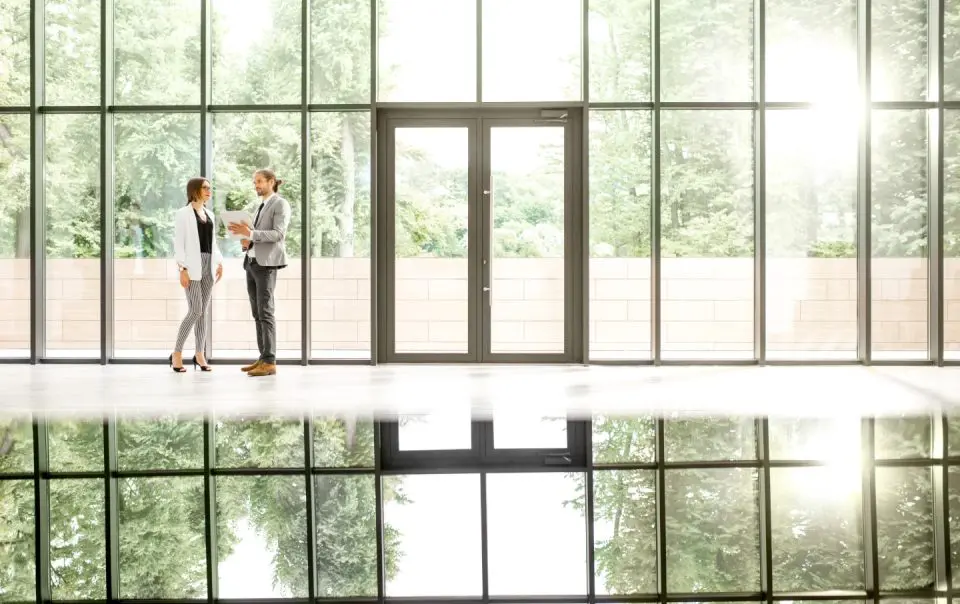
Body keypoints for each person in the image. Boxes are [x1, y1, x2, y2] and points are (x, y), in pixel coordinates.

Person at [227, 168, 291, 377]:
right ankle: (263, 357)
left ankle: (270, 361)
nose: (256, 185)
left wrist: (251, 233)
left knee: (266, 311)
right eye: (255, 182)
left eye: (260, 182)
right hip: (252, 262)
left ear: (272, 182)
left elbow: (278, 234)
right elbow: (257, 235)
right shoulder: (261, 206)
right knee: (257, 313)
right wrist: (247, 242)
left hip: (266, 265)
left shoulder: (280, 204)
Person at [170, 177, 224, 372]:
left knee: (203, 313)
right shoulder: (183, 214)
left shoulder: (210, 214)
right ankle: (177, 353)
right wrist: (182, 269)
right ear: (195, 190)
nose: (209, 191)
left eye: (210, 188)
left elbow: (213, 242)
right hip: (191, 266)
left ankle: (199, 354)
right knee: (196, 310)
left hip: (209, 264)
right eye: (205, 188)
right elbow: (179, 243)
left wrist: (219, 263)